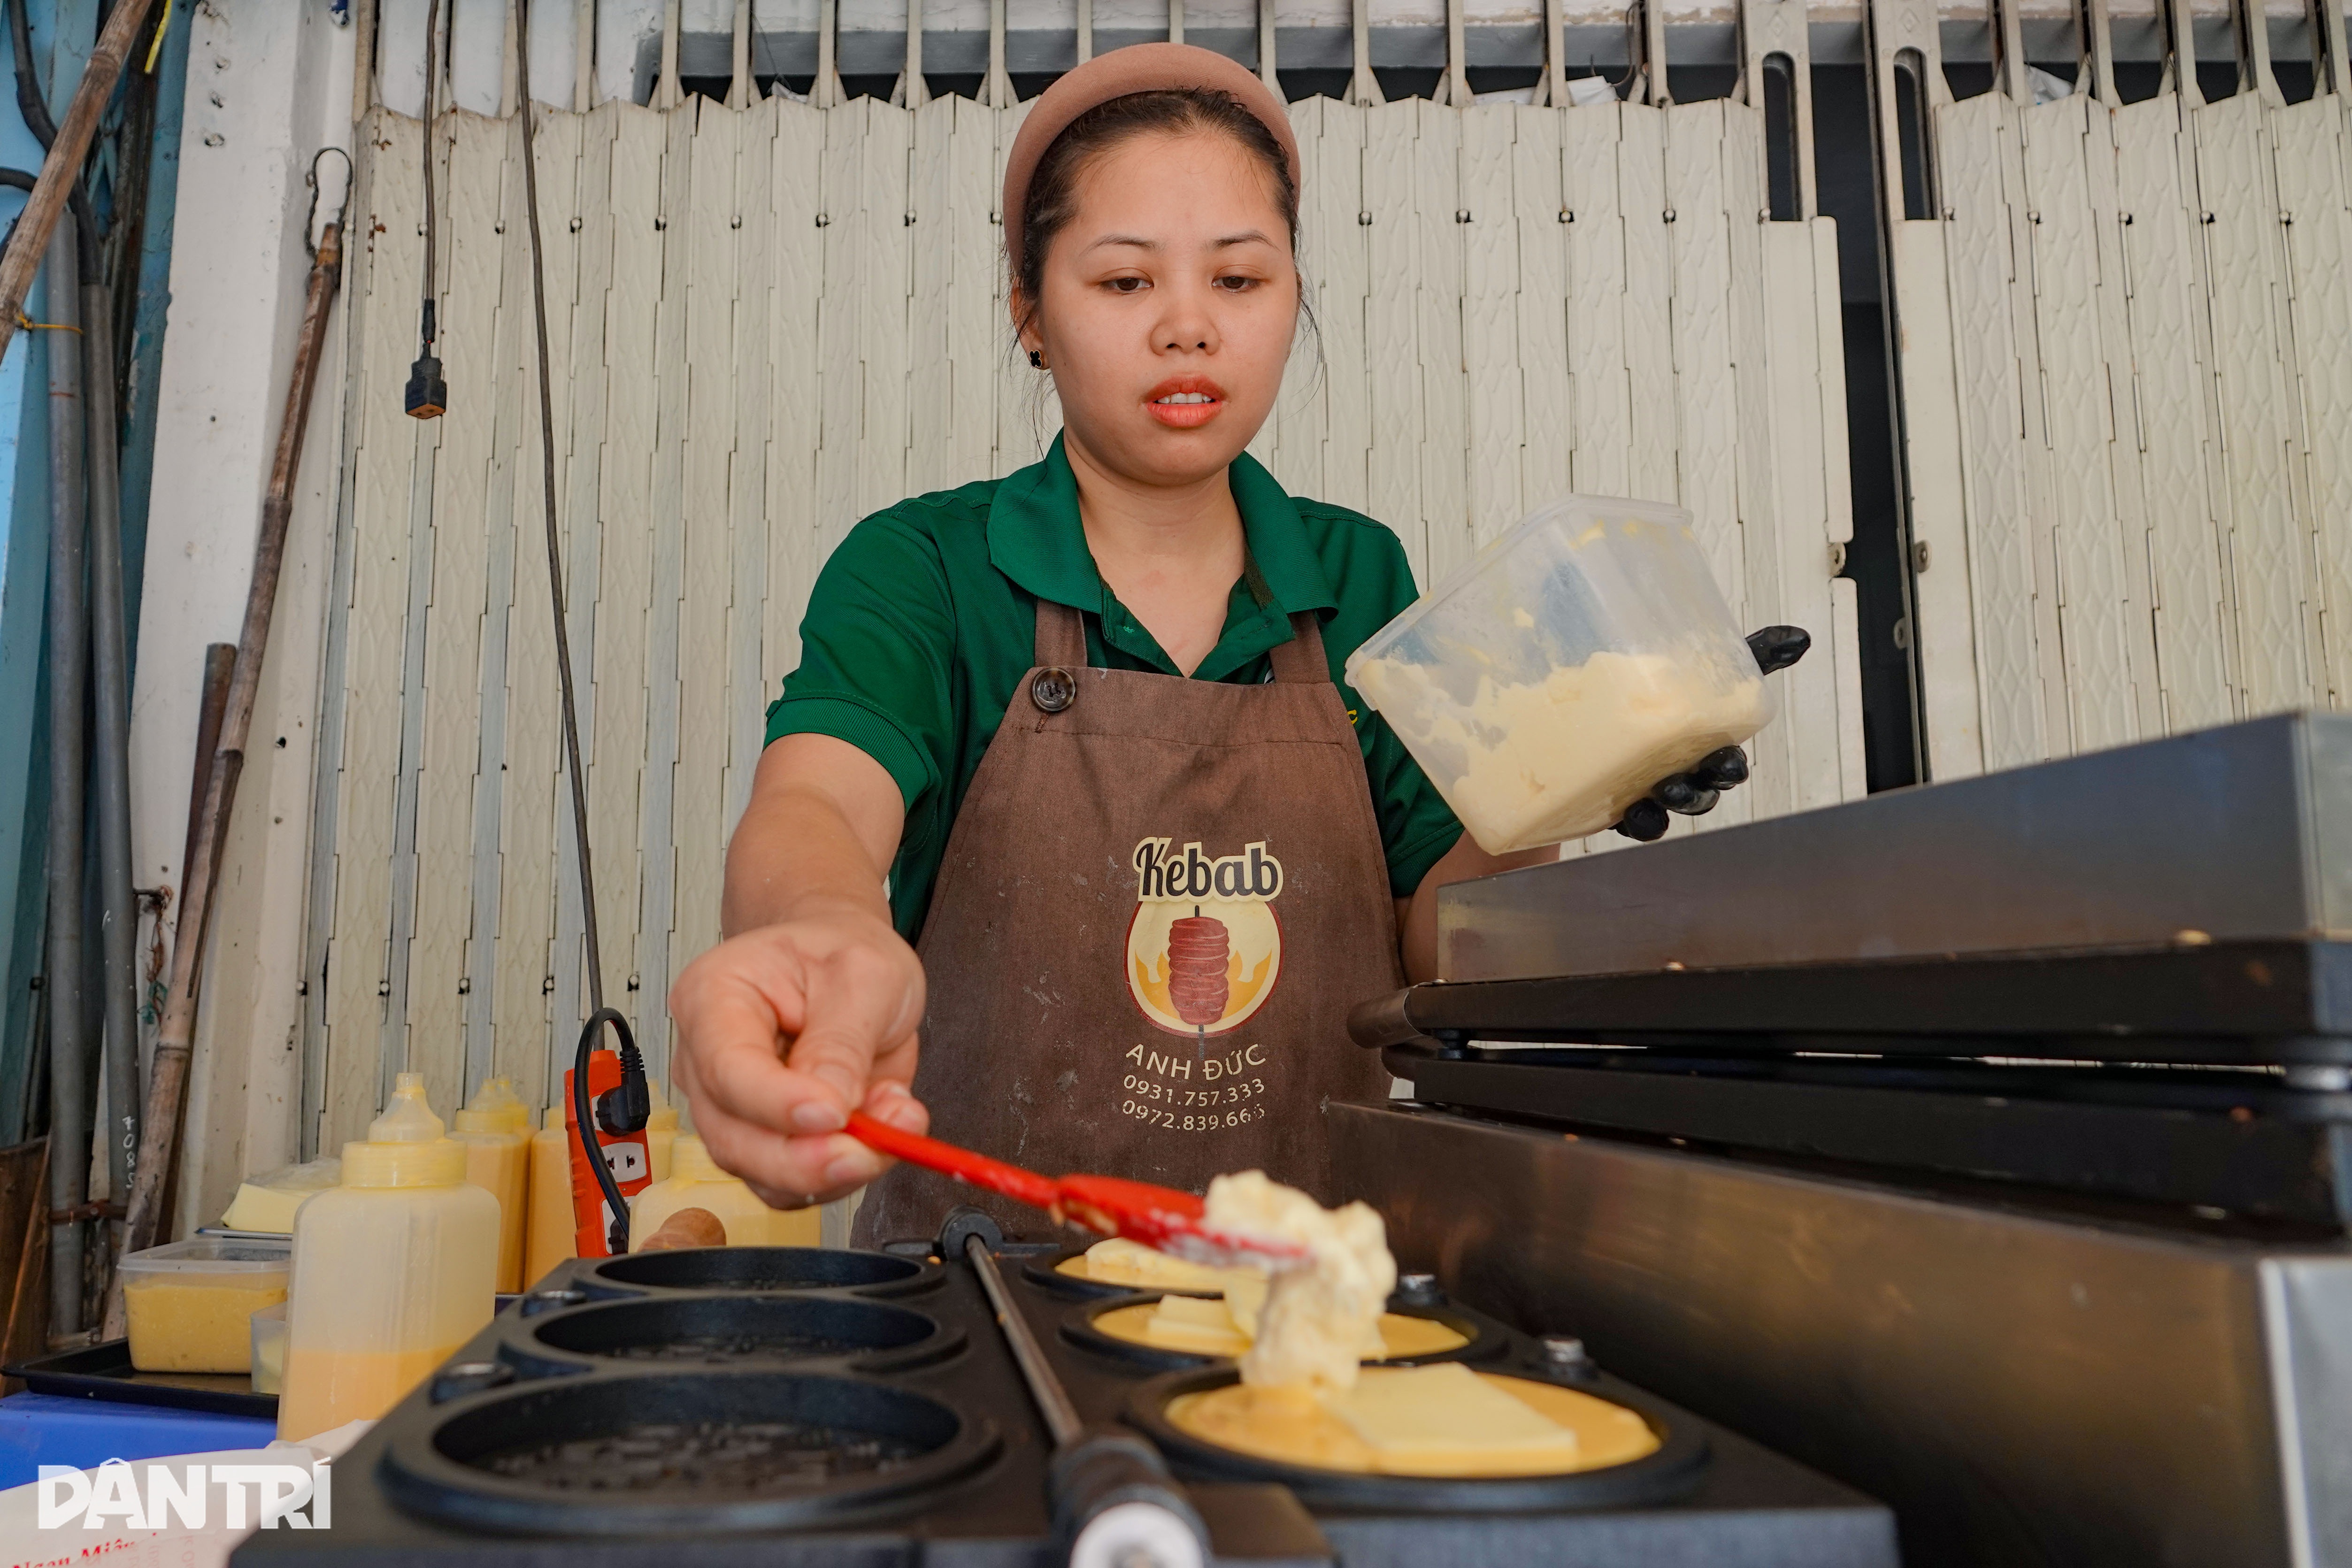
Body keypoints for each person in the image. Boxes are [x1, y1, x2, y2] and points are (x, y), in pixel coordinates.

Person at [667, 45, 1787, 1244]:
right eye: (1125, 283)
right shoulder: (930, 566)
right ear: (1031, 315)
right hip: (977, 1308)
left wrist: (1570, 778)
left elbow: (1434, 938)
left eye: (1241, 281)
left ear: (1294, 296)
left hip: (1306, 1296)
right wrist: (824, 937)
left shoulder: (1358, 576)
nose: (1189, 327)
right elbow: (821, 806)